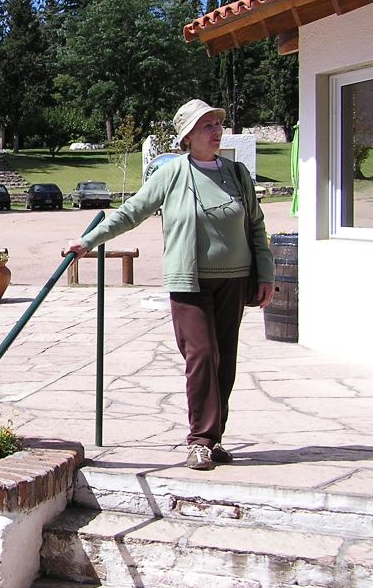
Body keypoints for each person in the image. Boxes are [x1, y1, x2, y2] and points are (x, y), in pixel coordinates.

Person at [64, 99, 275, 471]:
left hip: (235, 279)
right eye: (205, 126)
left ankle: (214, 438)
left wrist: (267, 274)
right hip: (189, 280)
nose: (215, 131)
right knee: (202, 355)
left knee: (225, 362)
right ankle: (200, 440)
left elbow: (256, 226)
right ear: (188, 137)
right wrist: (89, 241)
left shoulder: (237, 173)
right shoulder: (172, 173)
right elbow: (132, 212)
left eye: (216, 124)